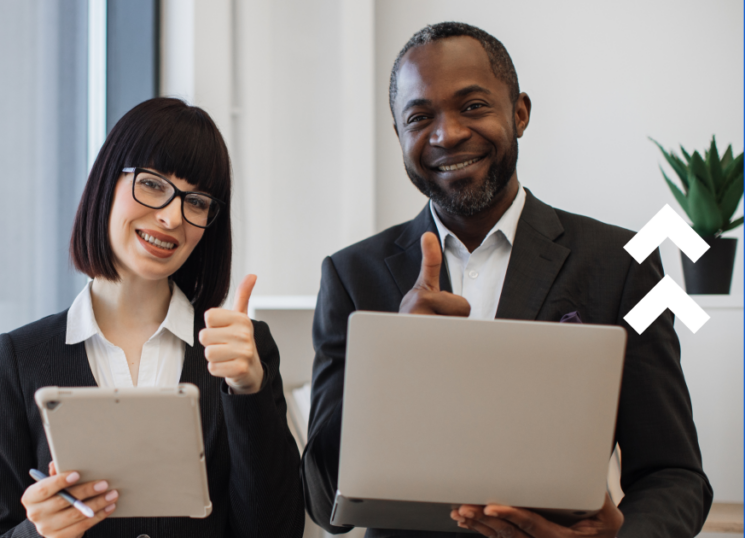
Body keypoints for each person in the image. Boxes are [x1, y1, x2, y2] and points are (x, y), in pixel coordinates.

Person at [301, 22, 712, 538]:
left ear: (519, 113)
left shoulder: (625, 263)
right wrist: (399, 358)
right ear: (399, 134)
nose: (446, 133)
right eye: (420, 116)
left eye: (472, 106)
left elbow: (675, 475)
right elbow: (323, 500)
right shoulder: (350, 275)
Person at [0, 97, 305, 538]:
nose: (172, 217)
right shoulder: (22, 357)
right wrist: (39, 533)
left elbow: (276, 532)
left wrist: (248, 391)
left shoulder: (242, 349)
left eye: (198, 201)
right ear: (107, 181)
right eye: (152, 184)